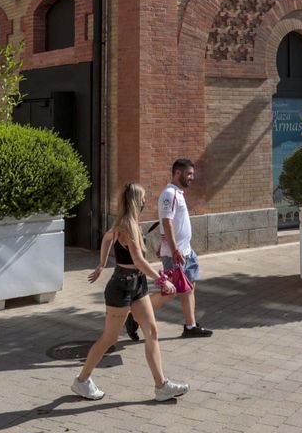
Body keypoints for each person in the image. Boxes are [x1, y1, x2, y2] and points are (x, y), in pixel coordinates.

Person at [72, 183, 190, 403]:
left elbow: (107, 238)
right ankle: (82, 381)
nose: (146, 201)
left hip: (137, 285)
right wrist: (162, 279)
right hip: (122, 287)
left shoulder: (127, 223)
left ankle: (161, 386)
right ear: (136, 200)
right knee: (109, 338)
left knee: (151, 332)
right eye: (143, 198)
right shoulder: (127, 225)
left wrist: (102, 264)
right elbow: (138, 260)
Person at [127, 158, 213, 341]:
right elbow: (166, 222)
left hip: (185, 252)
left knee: (189, 287)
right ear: (177, 173)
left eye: (192, 174)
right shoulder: (169, 194)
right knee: (170, 291)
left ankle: (190, 326)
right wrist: (173, 250)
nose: (192, 177)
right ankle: (135, 315)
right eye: (189, 174)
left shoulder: (178, 193)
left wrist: (165, 244)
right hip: (177, 255)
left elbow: (171, 223)